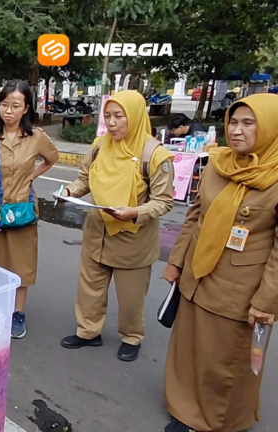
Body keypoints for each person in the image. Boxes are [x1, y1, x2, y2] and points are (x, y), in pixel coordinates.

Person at [162, 94, 278, 432]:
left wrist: (266, 301)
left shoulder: (273, 177)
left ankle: (216, 421)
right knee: (191, 348)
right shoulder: (219, 164)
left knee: (226, 359)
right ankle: (185, 408)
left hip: (240, 288)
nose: (237, 131)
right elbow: (194, 216)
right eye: (234, 122)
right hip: (198, 276)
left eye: (248, 123)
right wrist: (176, 262)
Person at [58, 90, 175, 362]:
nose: (111, 123)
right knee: (90, 290)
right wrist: (69, 192)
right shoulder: (100, 145)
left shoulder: (154, 155)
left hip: (133, 239)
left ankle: (131, 336)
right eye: (108, 116)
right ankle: (88, 331)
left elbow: (163, 201)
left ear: (134, 116)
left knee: (131, 297)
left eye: (119, 116)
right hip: (97, 233)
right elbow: (84, 179)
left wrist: (136, 212)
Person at [0, 80, 59, 339]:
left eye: (15, 105)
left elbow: (52, 159)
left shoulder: (36, 137)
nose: (8, 111)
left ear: (26, 108)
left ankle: (17, 313)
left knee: (21, 263)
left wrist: (31, 177)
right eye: (4, 104)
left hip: (22, 209)